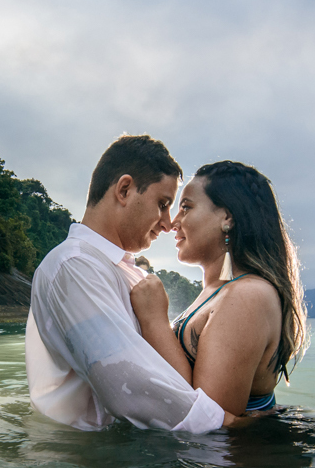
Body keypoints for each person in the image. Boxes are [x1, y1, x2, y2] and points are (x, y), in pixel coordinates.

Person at [26, 135, 233, 433]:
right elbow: (127, 385)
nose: (166, 223)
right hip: (83, 465)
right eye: (162, 204)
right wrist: (230, 425)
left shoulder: (119, 271)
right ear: (124, 190)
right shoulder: (74, 267)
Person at [129, 161, 308, 417]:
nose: (172, 223)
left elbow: (210, 421)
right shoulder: (219, 291)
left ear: (227, 217)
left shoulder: (247, 296)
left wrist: (154, 320)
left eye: (186, 207)